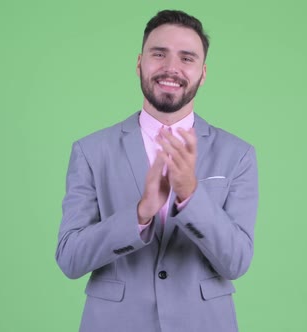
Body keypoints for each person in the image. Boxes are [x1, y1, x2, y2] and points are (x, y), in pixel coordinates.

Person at [55, 9, 259, 332]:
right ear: (139, 63)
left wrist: (192, 195)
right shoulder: (91, 151)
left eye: (186, 58)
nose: (171, 68)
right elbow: (69, 258)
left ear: (202, 73)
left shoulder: (238, 155)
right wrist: (139, 214)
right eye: (159, 54)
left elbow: (236, 261)